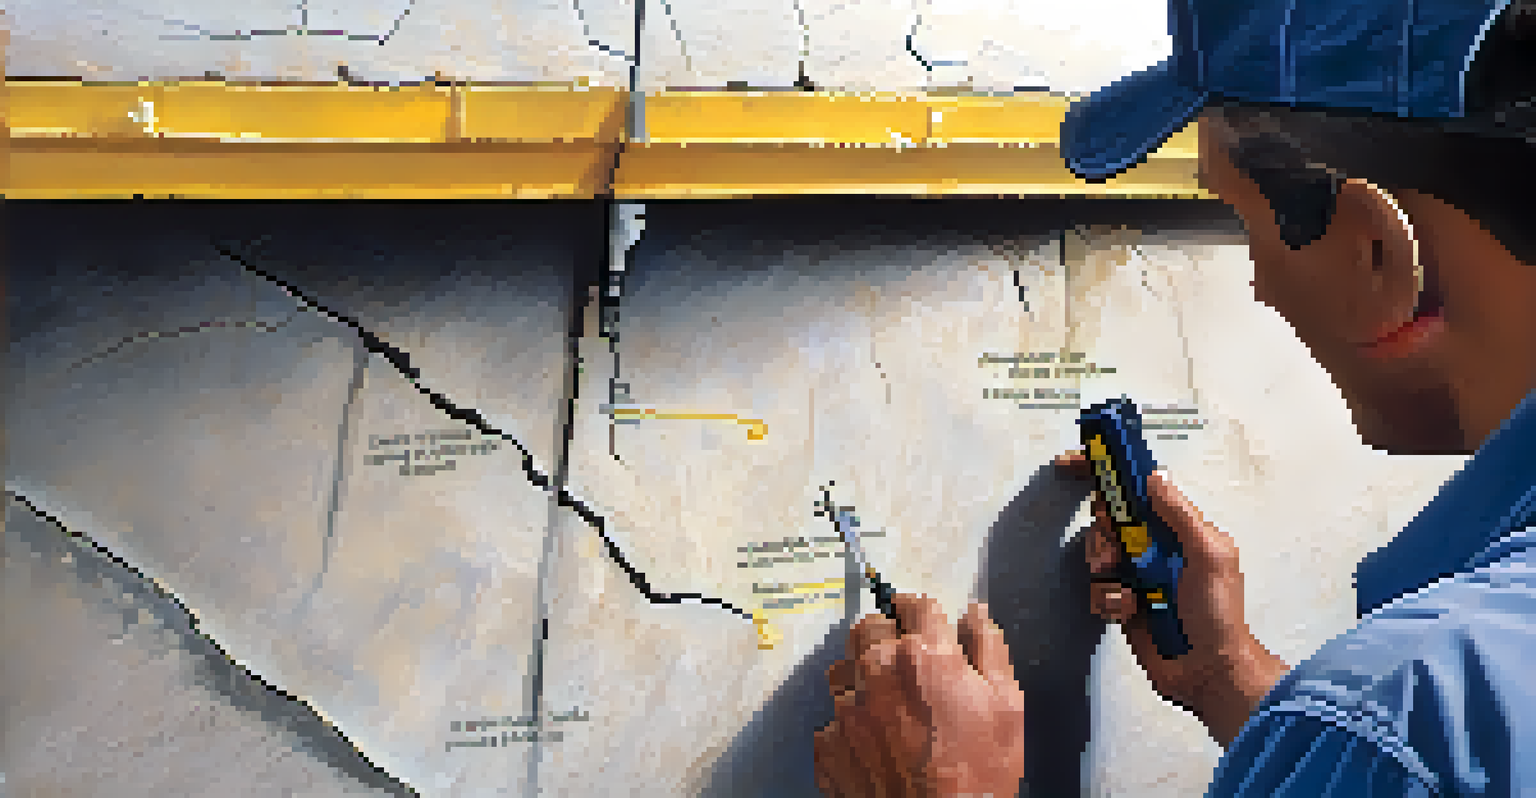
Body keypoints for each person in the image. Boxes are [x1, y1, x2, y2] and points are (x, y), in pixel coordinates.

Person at [813, 0, 1536, 795]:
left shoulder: (1407, 715)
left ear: (1377, 254)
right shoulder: (1434, 710)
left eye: (1242, 222)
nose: (1259, 286)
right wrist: (1233, 682)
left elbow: (1403, 754)